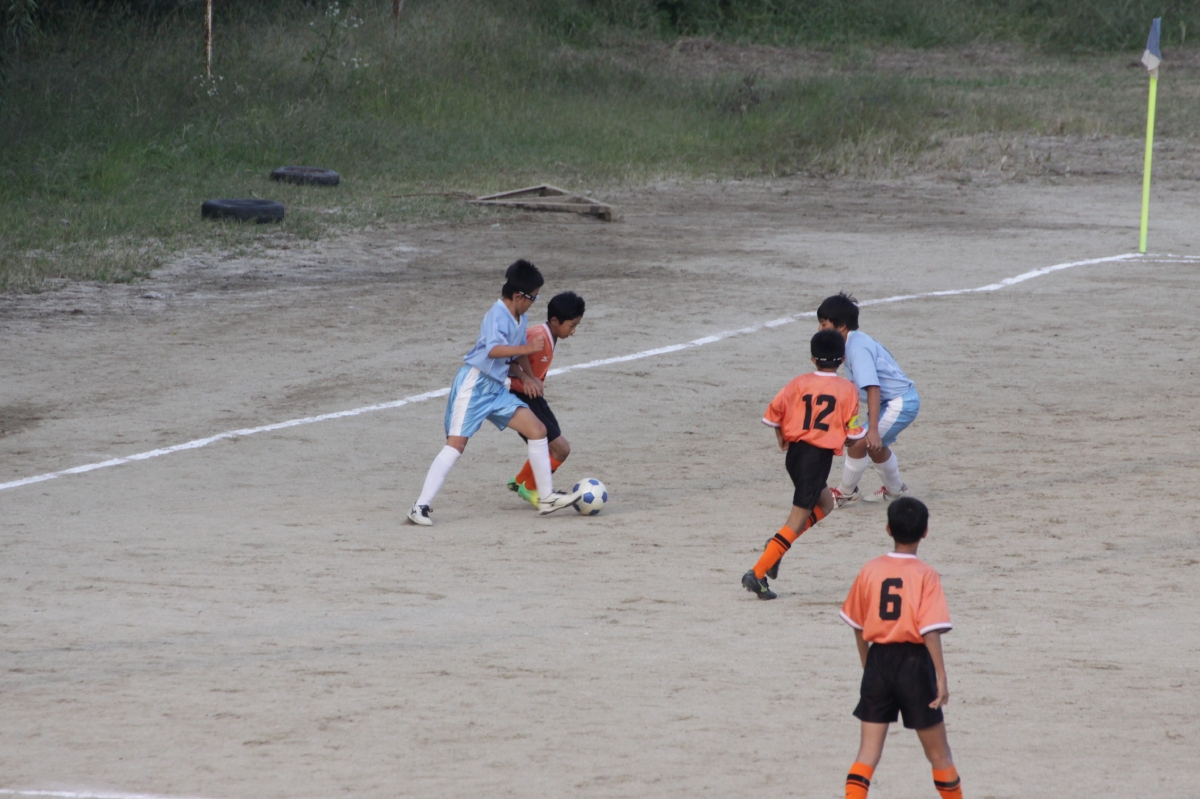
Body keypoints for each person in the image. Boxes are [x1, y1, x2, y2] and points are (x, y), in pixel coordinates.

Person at [406, 259, 583, 526]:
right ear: (518, 296)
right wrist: (528, 350)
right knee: (456, 446)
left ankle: (545, 497)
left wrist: (528, 377)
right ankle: (419, 506)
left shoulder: (521, 318)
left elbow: (519, 353)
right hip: (474, 386)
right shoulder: (496, 314)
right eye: (533, 297)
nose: (534, 303)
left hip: (497, 389)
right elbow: (494, 350)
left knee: (538, 430)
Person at [839, 497, 963, 799]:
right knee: (940, 755)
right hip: (914, 664)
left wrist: (868, 663)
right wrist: (941, 676)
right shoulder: (926, 574)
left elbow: (857, 625)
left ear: (888, 529)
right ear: (925, 532)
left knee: (867, 754)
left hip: (878, 661)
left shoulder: (870, 569)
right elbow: (930, 631)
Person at [742, 329, 865, 600]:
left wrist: (781, 436)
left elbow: (773, 413)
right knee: (796, 520)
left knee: (826, 504)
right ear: (843, 359)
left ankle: (777, 546)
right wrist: (850, 437)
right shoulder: (848, 389)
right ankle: (758, 572)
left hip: (796, 456)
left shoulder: (798, 382)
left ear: (813, 359)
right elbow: (854, 430)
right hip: (816, 460)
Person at [817, 292, 920, 504]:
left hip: (899, 403)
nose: (820, 329)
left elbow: (873, 387)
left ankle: (845, 493)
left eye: (824, 324)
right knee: (875, 447)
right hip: (893, 402)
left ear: (841, 326)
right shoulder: (853, 342)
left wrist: (871, 430)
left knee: (859, 443)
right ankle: (896, 492)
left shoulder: (857, 348)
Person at [505, 291, 585, 508]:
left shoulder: (548, 336)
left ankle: (520, 481)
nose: (573, 331)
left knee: (549, 445)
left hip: (532, 397)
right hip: (520, 397)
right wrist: (527, 378)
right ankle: (531, 488)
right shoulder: (537, 336)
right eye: (572, 325)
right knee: (560, 449)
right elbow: (506, 358)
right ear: (555, 321)